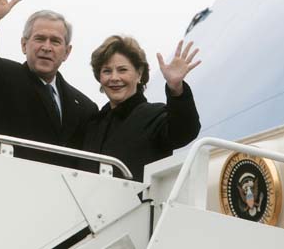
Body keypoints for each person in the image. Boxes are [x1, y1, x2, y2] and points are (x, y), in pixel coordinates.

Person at [0, 0, 98, 167]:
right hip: (6, 185)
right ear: (24, 45)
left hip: (63, 194)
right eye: (40, 38)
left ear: (67, 52)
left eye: (55, 41)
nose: (47, 47)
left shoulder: (85, 107)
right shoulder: (1, 78)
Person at [82, 35, 201, 182]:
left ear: (139, 74)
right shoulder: (93, 124)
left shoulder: (155, 116)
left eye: (122, 70)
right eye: (107, 71)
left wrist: (176, 87)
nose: (114, 78)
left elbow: (185, 132)